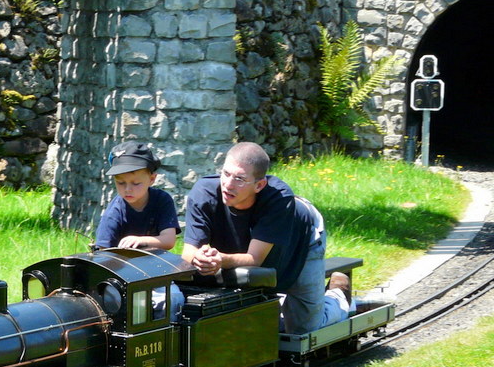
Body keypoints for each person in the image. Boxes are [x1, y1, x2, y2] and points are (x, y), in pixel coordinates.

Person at [181, 142, 350, 335]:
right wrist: (201, 257)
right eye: (226, 174)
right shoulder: (203, 193)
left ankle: (338, 297)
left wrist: (220, 259)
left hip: (303, 239)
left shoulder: (279, 199)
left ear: (259, 185)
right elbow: (189, 252)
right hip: (249, 247)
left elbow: (255, 260)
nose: (228, 184)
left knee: (304, 330)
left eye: (240, 179)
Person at [95, 141, 184, 319]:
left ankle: (167, 340)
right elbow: (102, 254)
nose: (128, 189)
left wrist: (142, 240)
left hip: (155, 271)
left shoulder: (162, 201)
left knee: (174, 299)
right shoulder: (115, 211)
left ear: (152, 179)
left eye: (136, 183)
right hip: (121, 276)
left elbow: (169, 241)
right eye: (121, 183)